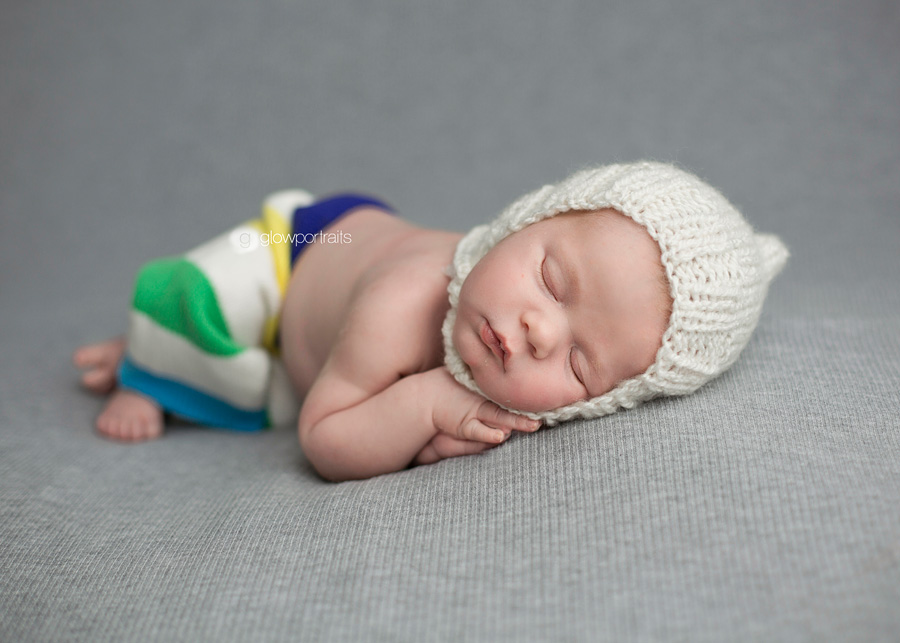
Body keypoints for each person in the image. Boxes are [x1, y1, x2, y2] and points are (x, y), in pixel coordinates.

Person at [73, 162, 788, 481]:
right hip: (306, 245)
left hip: (326, 335)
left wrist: (412, 435)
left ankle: (177, 357)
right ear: (521, 221)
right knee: (203, 298)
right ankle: (147, 367)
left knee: (273, 385)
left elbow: (359, 417)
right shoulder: (403, 303)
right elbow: (324, 439)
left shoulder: (503, 335)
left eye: (578, 365)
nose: (539, 330)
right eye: (549, 278)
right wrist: (418, 406)